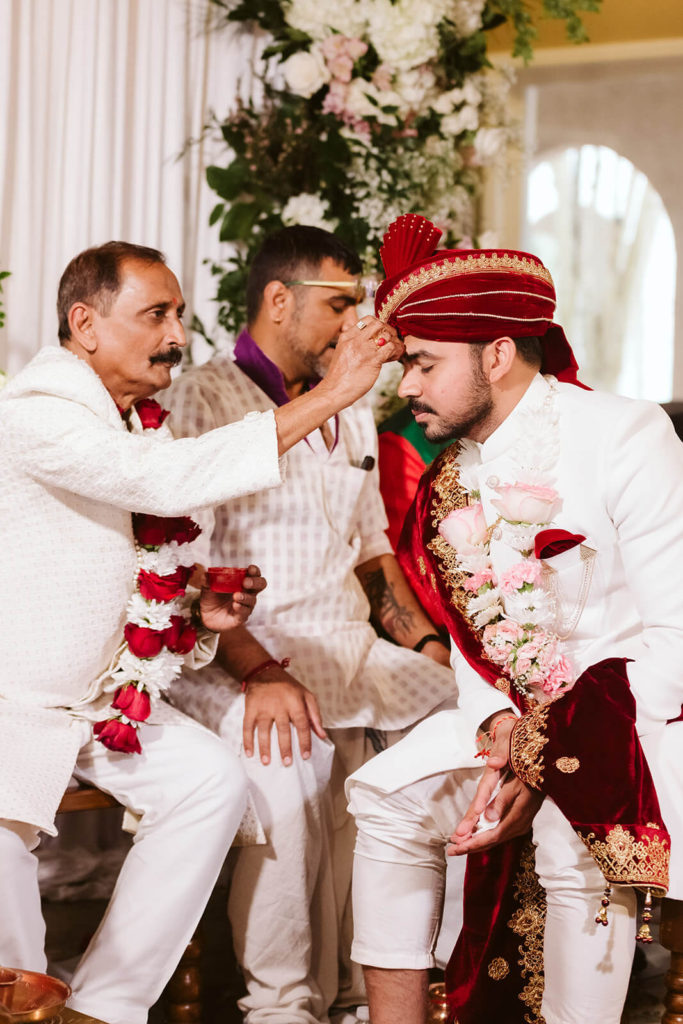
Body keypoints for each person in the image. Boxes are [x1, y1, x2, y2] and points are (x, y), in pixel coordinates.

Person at [0, 240, 402, 1024]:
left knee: (210, 781)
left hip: (100, 700)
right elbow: (162, 480)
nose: (178, 334)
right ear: (84, 323)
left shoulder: (128, 421)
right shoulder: (36, 414)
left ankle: (104, 1006)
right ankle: (21, 1002)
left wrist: (196, 612)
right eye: (156, 314)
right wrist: (331, 395)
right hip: (16, 699)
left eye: (179, 314)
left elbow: (128, 562)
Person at [346, 214, 682, 1024]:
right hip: (515, 722)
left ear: (497, 352)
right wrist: (499, 718)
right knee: (382, 792)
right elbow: (473, 644)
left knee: (572, 834)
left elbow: (675, 640)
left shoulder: (624, 436)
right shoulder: (450, 476)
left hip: (641, 721)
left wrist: (547, 749)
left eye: (423, 363)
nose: (406, 387)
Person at [166, 225, 459, 1024]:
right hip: (236, 651)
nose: (353, 322)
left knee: (467, 719)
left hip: (347, 645)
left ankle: (407, 982)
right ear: (277, 300)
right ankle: (283, 1004)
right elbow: (176, 560)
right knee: (287, 758)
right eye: (338, 304)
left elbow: (370, 557)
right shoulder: (202, 396)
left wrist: (430, 648)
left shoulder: (349, 408)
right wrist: (258, 670)